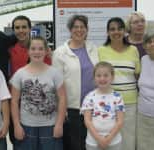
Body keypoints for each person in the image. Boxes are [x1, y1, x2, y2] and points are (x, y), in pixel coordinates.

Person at [10, 36, 66, 150]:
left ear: (46, 51)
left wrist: (59, 124)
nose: (37, 52)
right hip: (26, 126)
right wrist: (16, 125)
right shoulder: (20, 74)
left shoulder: (55, 73)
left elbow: (62, 98)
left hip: (50, 126)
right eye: (33, 48)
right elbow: (14, 101)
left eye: (40, 49)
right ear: (28, 51)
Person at [52, 14, 99, 150]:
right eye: (75, 27)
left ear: (87, 29)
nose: (79, 30)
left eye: (82, 27)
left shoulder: (93, 49)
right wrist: (61, 110)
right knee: (74, 146)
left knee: (91, 145)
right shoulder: (60, 53)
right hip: (72, 110)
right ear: (70, 30)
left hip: (93, 108)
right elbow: (56, 84)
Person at [8, 15, 52, 145]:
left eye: (24, 27)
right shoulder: (10, 51)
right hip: (17, 105)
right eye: (17, 27)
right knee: (19, 141)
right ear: (13, 30)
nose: (21, 30)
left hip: (39, 107)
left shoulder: (42, 51)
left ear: (30, 28)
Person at [98, 17, 140, 150]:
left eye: (119, 28)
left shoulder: (133, 50)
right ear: (107, 32)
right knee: (109, 140)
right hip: (108, 103)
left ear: (125, 31)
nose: (116, 32)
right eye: (112, 29)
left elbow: (138, 75)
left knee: (128, 140)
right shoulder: (101, 50)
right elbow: (98, 77)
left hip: (130, 103)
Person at [81, 61, 125, 150]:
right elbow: (87, 121)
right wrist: (99, 139)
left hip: (113, 141)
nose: (102, 78)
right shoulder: (89, 97)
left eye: (106, 75)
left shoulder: (117, 97)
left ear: (112, 77)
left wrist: (108, 139)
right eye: (98, 75)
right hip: (93, 141)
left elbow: (120, 121)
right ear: (94, 78)